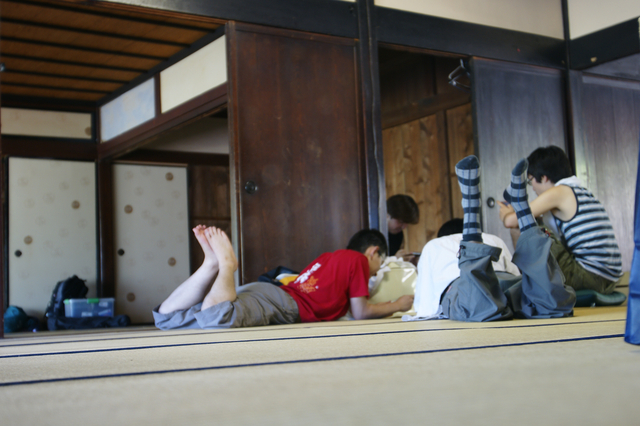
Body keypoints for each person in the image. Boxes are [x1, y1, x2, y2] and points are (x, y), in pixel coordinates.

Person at [404, 155, 576, 322]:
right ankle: (520, 204)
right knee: (552, 303)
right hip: (506, 282)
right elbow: (517, 273)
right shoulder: (492, 239)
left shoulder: (433, 245)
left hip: (464, 288)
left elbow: (424, 299)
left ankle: (471, 207)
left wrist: (424, 313)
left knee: (478, 308)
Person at [153, 226, 414, 329]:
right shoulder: (358, 260)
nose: (375, 273)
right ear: (373, 252)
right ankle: (226, 266)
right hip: (284, 303)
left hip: (269, 291)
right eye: (379, 265)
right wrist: (398, 305)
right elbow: (361, 312)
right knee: (217, 317)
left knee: (167, 318)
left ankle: (211, 264)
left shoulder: (330, 257)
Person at [499, 146, 623, 294]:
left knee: (521, 226)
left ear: (543, 178)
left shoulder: (559, 192)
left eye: (531, 181)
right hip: (608, 279)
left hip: (590, 276)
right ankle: (531, 283)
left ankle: (530, 286)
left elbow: (511, 221)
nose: (533, 188)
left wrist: (507, 213)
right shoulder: (579, 190)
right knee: (532, 222)